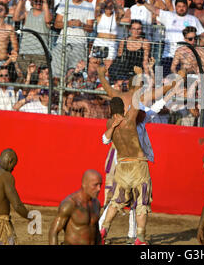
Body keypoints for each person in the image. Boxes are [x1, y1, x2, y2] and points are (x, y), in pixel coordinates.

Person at [99, 97, 152, 245]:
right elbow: (137, 102)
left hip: (122, 165)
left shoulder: (110, 123)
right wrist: (139, 78)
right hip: (138, 165)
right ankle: (140, 238)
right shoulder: (129, 120)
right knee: (142, 202)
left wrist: (113, 126)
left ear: (110, 110)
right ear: (123, 109)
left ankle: (103, 231)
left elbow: (104, 140)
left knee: (116, 201)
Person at [48, 169, 102, 245]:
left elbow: (96, 231)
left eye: (100, 185)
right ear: (84, 184)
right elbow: (53, 231)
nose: (99, 189)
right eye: (95, 185)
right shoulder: (70, 204)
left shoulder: (96, 204)